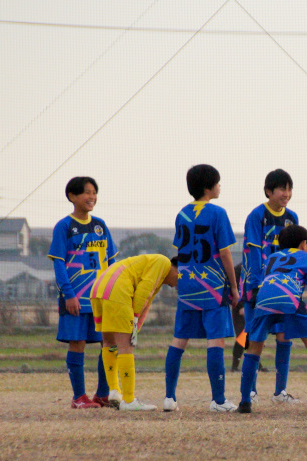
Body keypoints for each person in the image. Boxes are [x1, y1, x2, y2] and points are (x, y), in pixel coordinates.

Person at [238, 225, 307, 413]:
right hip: (290, 300)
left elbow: (263, 284)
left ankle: (245, 402)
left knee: (253, 349)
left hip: (264, 301)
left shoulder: (271, 258)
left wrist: (250, 325)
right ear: (303, 244)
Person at [162, 165, 240, 413]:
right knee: (215, 340)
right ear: (208, 187)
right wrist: (234, 286)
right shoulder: (218, 213)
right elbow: (225, 253)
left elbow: (181, 250)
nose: (220, 187)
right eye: (217, 183)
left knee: (179, 339)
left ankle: (169, 398)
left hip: (187, 284)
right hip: (213, 285)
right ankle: (218, 400)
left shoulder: (182, 214)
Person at [48, 176, 118, 409]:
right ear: (72, 196)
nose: (92, 197)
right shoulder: (64, 226)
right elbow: (59, 263)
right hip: (76, 299)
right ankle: (79, 397)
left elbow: (111, 262)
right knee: (77, 343)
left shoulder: (100, 225)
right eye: (87, 192)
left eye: (94, 192)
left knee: (107, 343)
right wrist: (69, 295)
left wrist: (115, 290)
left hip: (101, 298)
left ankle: (102, 394)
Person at [240, 169, 300, 403]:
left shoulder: (292, 218)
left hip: (283, 288)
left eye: (289, 189)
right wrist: (256, 286)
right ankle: (250, 391)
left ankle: (280, 392)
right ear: (268, 191)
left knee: (285, 336)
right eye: (282, 189)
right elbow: (254, 252)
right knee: (255, 337)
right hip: (258, 287)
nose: (287, 194)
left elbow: (295, 255)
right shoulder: (256, 216)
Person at [90, 254, 179, 411]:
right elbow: (144, 291)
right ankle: (129, 400)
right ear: (178, 268)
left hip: (99, 288)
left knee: (109, 342)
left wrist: (135, 326)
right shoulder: (163, 263)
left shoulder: (156, 270)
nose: (178, 284)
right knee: (125, 346)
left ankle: (114, 391)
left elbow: (147, 301)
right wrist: (134, 317)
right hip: (118, 290)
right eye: (181, 277)